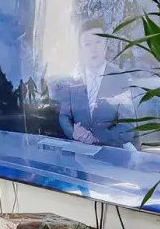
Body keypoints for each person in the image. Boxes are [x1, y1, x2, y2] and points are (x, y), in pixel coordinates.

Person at [55, 19, 137, 148]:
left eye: (98, 42)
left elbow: (129, 126)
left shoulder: (120, 78)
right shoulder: (73, 80)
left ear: (106, 44)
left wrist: (97, 138)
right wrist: (73, 133)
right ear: (81, 49)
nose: (94, 49)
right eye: (88, 44)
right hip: (80, 152)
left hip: (111, 153)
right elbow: (64, 117)